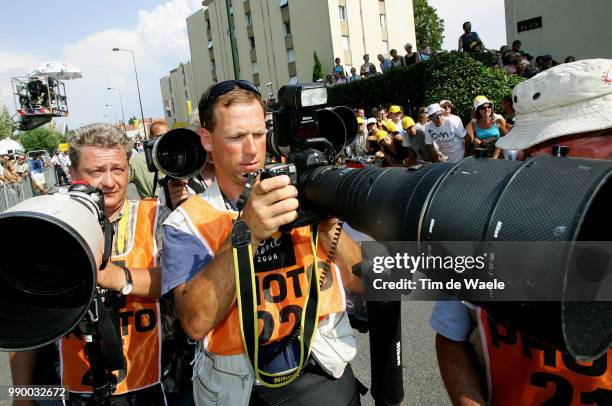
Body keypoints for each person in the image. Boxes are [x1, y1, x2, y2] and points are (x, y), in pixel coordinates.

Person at [161, 80, 361, 405]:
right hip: (242, 390)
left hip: (326, 371)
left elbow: (363, 280)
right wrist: (247, 232)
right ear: (207, 140)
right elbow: (195, 323)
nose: (253, 150)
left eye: (258, 133)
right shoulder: (185, 221)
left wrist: (325, 220)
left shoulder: (300, 191)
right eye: (237, 137)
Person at [432, 58, 612, 406]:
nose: (532, 162)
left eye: (557, 148)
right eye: (531, 150)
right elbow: (452, 337)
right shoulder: (482, 227)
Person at [11, 123, 165, 405]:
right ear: (72, 174)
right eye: (96, 172)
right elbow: (24, 320)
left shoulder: (155, 215)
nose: (109, 182)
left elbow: (178, 283)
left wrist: (114, 277)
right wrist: (22, 395)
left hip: (149, 385)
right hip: (68, 391)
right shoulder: (48, 224)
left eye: (117, 169)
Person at [128, 119, 169, 198]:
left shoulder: (177, 157)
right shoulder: (136, 162)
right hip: (152, 208)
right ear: (151, 138)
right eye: (160, 137)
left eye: (167, 136)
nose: (165, 140)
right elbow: (118, 183)